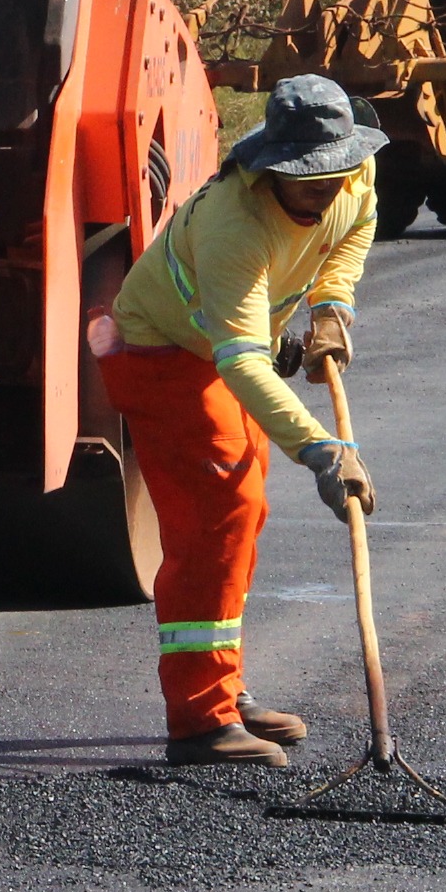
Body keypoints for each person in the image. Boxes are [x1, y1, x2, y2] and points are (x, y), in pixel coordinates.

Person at [94, 72, 383, 767]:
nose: (329, 189)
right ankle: (199, 721)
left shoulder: (354, 173)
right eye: (308, 180)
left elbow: (357, 228)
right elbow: (245, 364)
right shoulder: (234, 226)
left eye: (337, 172)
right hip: (160, 351)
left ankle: (227, 689)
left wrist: (331, 309)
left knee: (244, 513)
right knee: (219, 511)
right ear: (272, 167)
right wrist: (322, 451)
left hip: (217, 349)